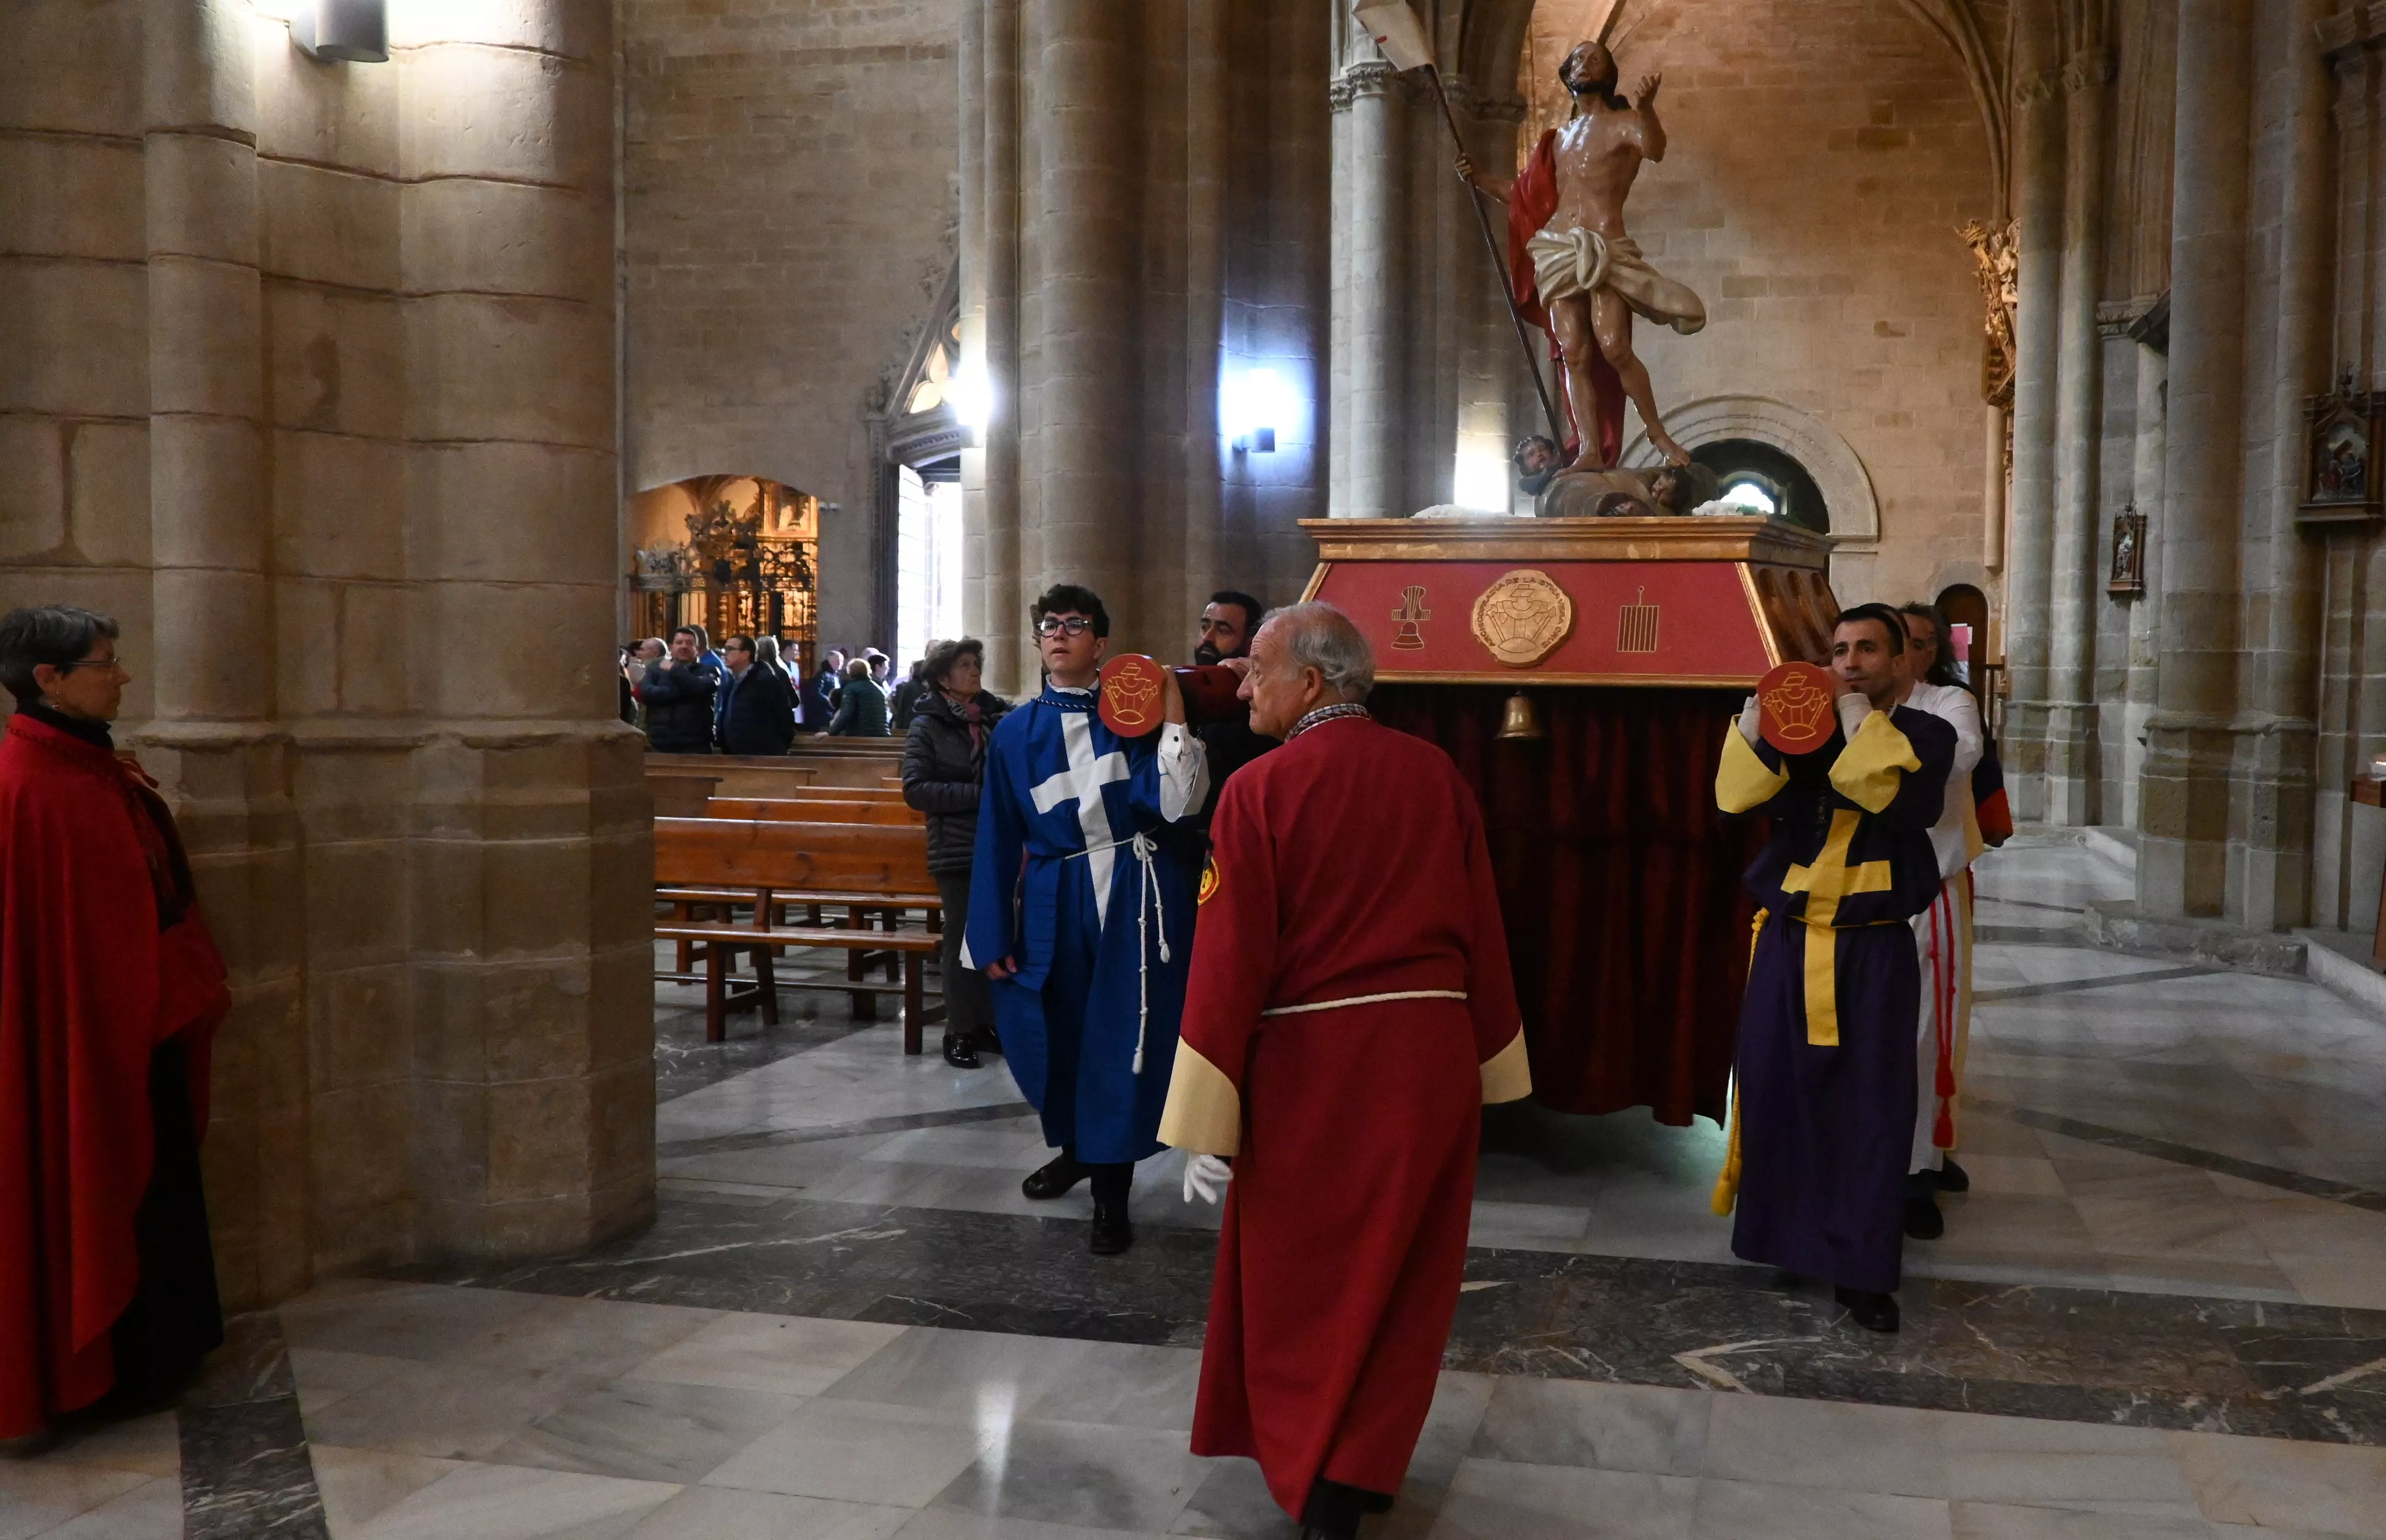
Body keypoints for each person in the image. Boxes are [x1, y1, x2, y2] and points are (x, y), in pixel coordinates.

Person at [1161, 604, 1529, 1540]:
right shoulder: (1435, 773)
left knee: (1306, 1280)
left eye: (1258, 669)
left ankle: (1319, 1480)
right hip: (1432, 1059)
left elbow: (1229, 957)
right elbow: (1483, 920)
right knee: (1406, 1277)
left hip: (1317, 1069)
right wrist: (1491, 1056)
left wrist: (1205, 1116)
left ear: (1311, 681)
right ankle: (1361, 1463)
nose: (1241, 684)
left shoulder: (1259, 787)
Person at [0, 606, 231, 1443]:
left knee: (159, 1184)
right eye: (105, 664)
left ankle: (161, 1352)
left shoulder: (90, 769)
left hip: (144, 1024)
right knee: (99, 1177)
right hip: (86, 1044)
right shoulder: (30, 787)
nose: (123, 677)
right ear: (49, 679)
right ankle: (103, 1369)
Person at [1711, 603, 1956, 1334]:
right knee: (1778, 1090)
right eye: (1840, 649)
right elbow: (1736, 799)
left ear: (1902, 661)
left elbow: (1891, 796)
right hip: (1789, 941)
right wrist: (1756, 728)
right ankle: (1790, 1238)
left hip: (1870, 948)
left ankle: (1862, 1269)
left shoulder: (1926, 734)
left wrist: (1852, 717)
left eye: (1868, 649)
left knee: (1869, 1110)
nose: (1850, 662)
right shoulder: (1805, 731)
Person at [964, 583, 1208, 1254]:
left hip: (1132, 889)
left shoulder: (1132, 717)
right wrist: (989, 931)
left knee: (1119, 1039)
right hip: (1056, 891)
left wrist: (1172, 713)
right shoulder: (1015, 732)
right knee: (1056, 1030)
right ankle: (1077, 1148)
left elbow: (1177, 804)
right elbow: (997, 834)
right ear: (1037, 641)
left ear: (1100, 644)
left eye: (1075, 624)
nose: (1059, 633)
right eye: (1049, 624)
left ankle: (1111, 1192)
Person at [1460, 40, 1705, 468]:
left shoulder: (1624, 123)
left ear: (1608, 74)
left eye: (1595, 59)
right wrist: (1479, 178)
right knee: (1573, 352)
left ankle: (1658, 435)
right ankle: (1589, 448)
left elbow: (1654, 149)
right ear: (1567, 72)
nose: (1584, 63)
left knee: (1614, 347)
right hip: (1557, 251)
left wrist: (1647, 109)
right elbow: (1523, 197)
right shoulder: (1556, 140)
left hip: (1603, 246)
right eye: (1577, 58)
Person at [1895, 603, 1986, 1239]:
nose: (1909, 652)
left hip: (1927, 890)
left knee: (1927, 1034)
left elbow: (1956, 756)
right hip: (1857, 895)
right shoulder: (1847, 704)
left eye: (1921, 643)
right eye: (1896, 640)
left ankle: (1916, 1167)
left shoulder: (1949, 703)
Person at [902, 638, 1010, 1067]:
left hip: (998, 841)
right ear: (943, 678)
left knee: (996, 934)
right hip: (956, 846)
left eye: (975, 663)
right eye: (964, 665)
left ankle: (985, 1023)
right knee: (962, 936)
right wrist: (980, 795)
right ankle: (959, 1030)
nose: (974, 670)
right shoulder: (927, 725)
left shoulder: (995, 717)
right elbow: (916, 789)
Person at [639, 627, 720, 754]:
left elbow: (701, 688)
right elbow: (647, 693)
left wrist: (675, 669)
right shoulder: (656, 670)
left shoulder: (709, 670)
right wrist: (683, 692)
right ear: (671, 647)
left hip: (696, 744)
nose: (684, 646)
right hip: (659, 743)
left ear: (697, 649)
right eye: (679, 643)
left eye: (690, 643)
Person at [717, 634, 798, 756]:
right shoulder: (733, 680)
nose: (725, 654)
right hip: (737, 755)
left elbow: (784, 717)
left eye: (730, 649)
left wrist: (774, 748)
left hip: (761, 756)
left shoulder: (763, 680)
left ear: (746, 654)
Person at [825, 657, 890, 737]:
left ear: (850, 672)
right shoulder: (878, 689)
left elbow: (846, 713)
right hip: (882, 734)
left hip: (862, 734)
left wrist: (831, 732)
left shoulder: (851, 688)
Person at [801, 647, 845, 730]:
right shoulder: (822, 676)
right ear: (830, 662)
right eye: (838, 661)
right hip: (823, 714)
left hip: (832, 713)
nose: (840, 664)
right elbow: (816, 693)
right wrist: (831, 703)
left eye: (842, 661)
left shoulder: (836, 676)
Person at [890, 653, 934, 733]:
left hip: (908, 725)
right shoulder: (930, 686)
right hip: (926, 725)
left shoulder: (906, 686)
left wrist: (898, 724)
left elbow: (901, 708)